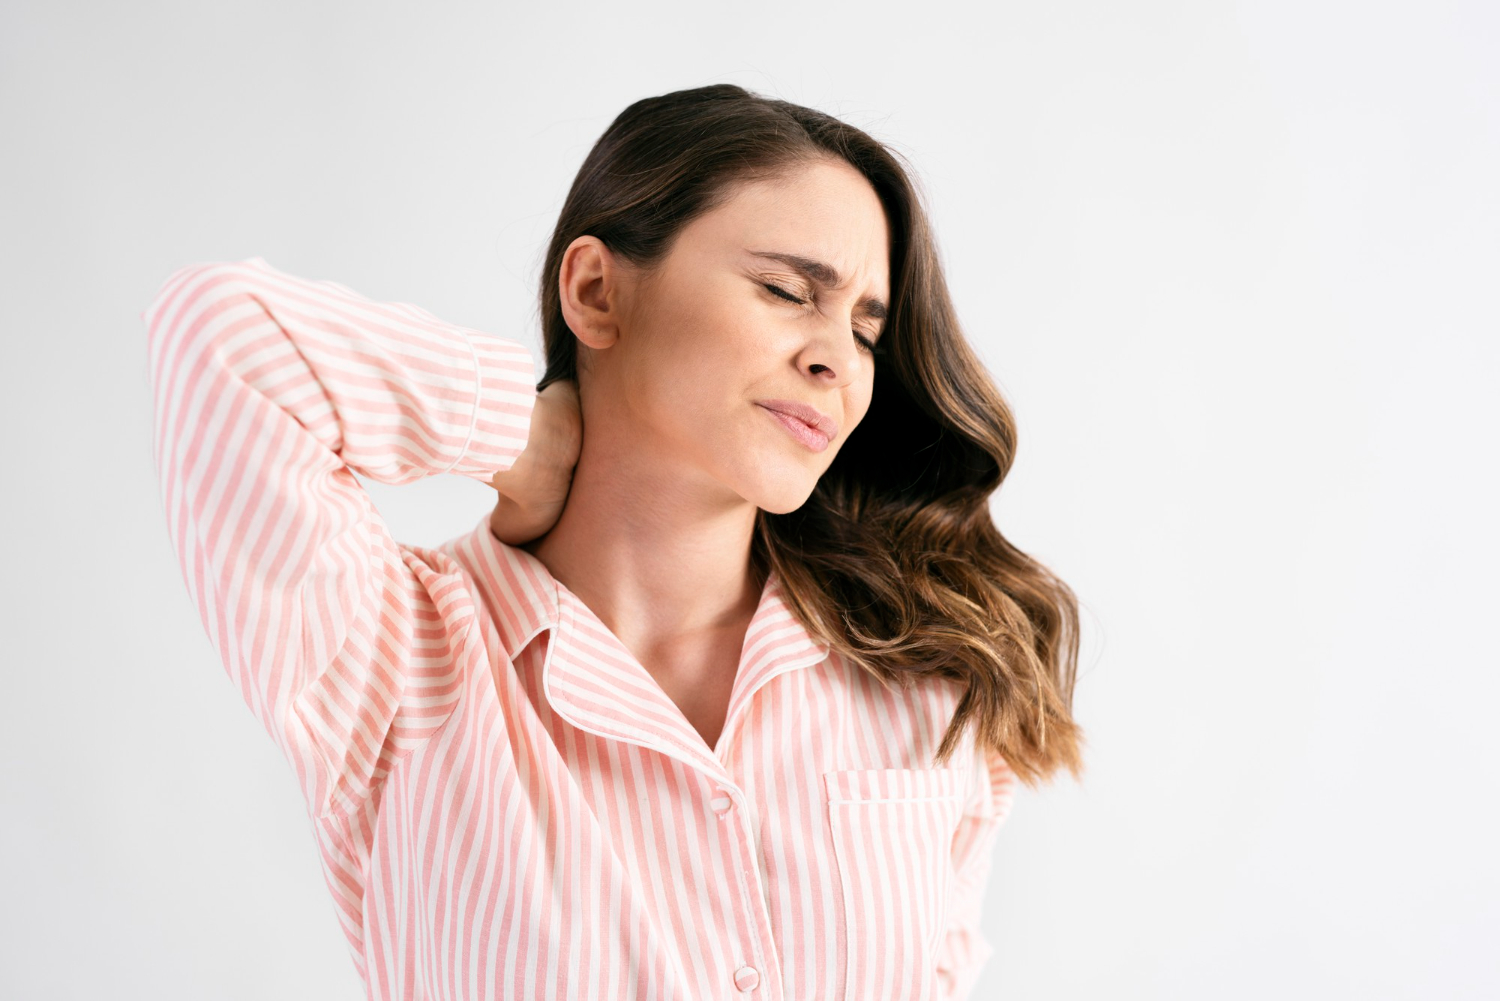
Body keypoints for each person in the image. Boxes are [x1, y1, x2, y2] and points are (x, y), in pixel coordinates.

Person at [143, 83, 1085, 1001]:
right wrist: (522, 438)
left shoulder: (926, 683)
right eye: (786, 289)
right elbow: (221, 336)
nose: (837, 358)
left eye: (866, 332)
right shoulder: (397, 662)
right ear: (596, 292)